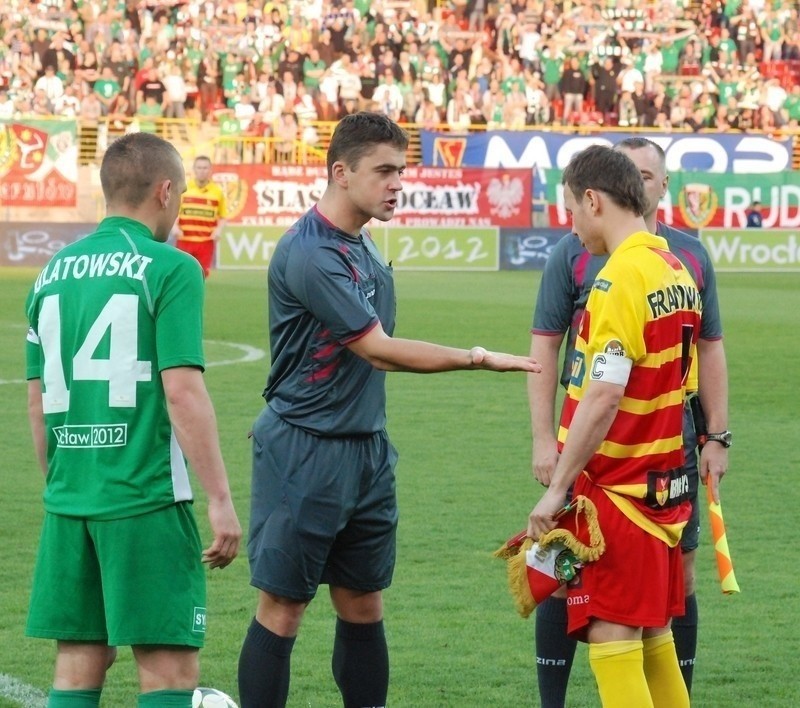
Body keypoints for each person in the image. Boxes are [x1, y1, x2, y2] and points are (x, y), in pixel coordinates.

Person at [237, 112, 541, 708]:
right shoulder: (311, 253)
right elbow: (377, 349)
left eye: (401, 170)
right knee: (284, 607)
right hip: (304, 447)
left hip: (366, 448)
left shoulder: (365, 245)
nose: (397, 183)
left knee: (364, 602)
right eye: (384, 171)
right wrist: (477, 357)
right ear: (341, 173)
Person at [24, 132, 242, 707]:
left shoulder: (48, 276)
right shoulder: (171, 267)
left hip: (70, 499)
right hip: (144, 498)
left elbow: (37, 401)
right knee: (168, 669)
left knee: (77, 663)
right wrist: (219, 500)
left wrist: (63, 484)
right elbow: (183, 392)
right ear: (167, 191)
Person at [528, 139, 729, 707]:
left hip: (621, 493)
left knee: (611, 633)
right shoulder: (674, 268)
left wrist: (560, 487)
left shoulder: (618, 280)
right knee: (656, 637)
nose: (572, 228)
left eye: (571, 210)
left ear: (593, 201)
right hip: (666, 488)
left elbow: (603, 397)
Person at [174, 156, 228, 277]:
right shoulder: (184, 189)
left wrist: (218, 230)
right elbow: (173, 211)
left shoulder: (217, 192)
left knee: (201, 275)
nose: (202, 171)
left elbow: (223, 216)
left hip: (206, 242)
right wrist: (174, 227)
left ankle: (196, 296)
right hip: (185, 240)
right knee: (181, 274)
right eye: (199, 167)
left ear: (210, 170)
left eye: (205, 168)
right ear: (194, 169)